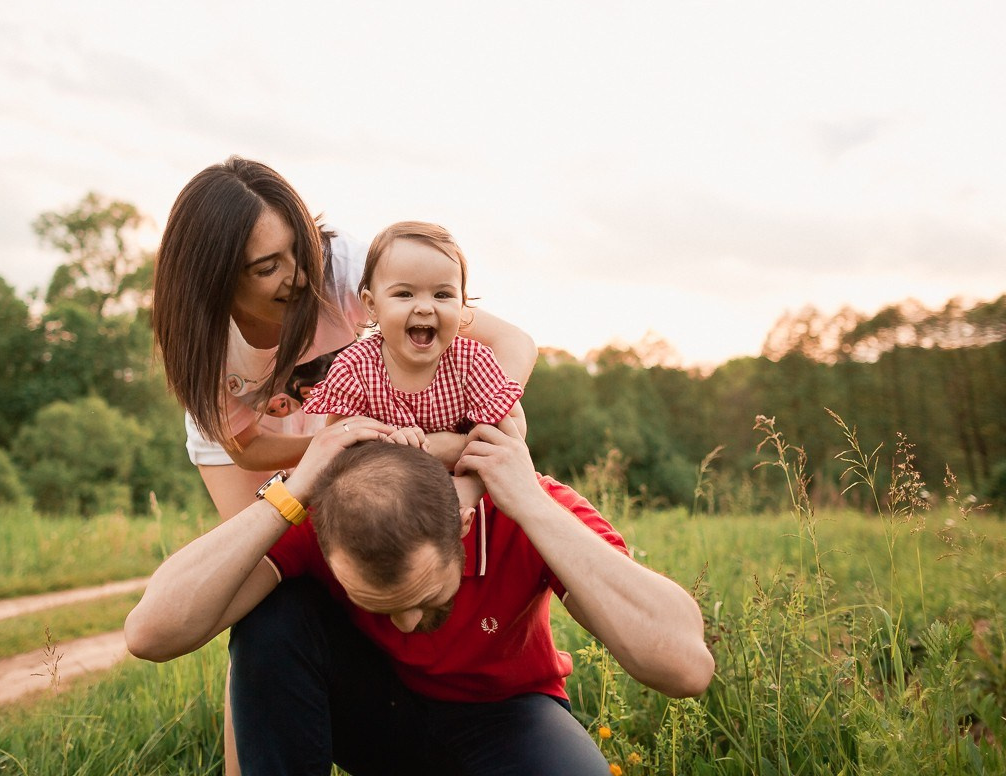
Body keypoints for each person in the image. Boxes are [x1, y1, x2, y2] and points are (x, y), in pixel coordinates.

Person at [125, 417, 715, 774]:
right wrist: (295, 489)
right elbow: (150, 633)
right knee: (271, 617)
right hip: (382, 715)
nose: (407, 624)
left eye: (428, 597)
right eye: (379, 603)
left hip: (507, 715)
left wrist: (531, 506)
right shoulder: (332, 511)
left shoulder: (524, 508)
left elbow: (686, 667)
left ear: (460, 525)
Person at [150, 157, 537, 521]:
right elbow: (246, 447)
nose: (301, 277)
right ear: (218, 280)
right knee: (262, 551)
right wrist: (347, 442)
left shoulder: (341, 268)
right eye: (269, 267)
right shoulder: (204, 341)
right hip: (252, 438)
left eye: (301, 249)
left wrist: (466, 430)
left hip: (343, 411)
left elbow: (513, 343)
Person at [302, 221, 525, 448]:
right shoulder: (355, 368)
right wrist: (393, 448)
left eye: (442, 294)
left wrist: (457, 446)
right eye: (405, 293)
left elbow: (512, 427)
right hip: (387, 477)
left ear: (461, 304)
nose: (425, 307)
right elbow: (337, 443)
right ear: (372, 305)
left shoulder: (472, 362)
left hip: (467, 471)